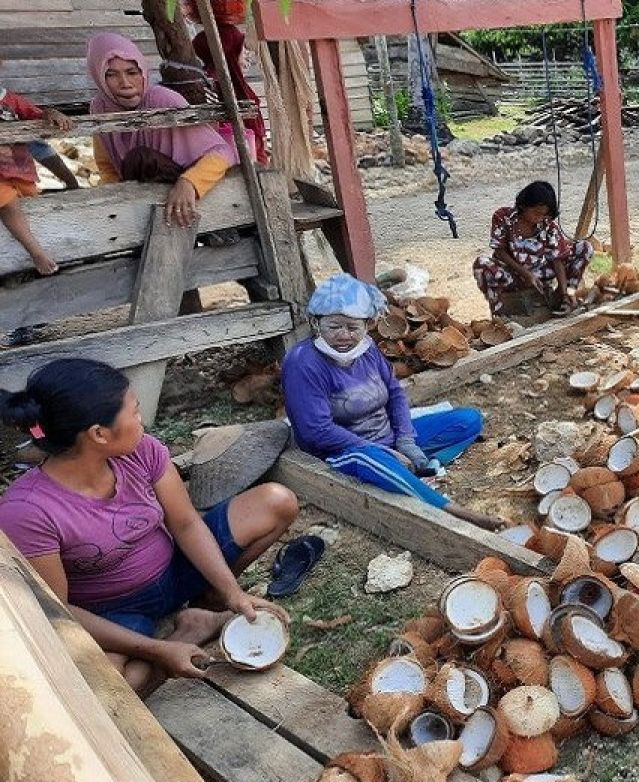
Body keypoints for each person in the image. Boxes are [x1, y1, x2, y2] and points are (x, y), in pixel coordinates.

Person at [0, 359, 298, 696]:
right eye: (135, 412)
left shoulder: (141, 451)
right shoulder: (27, 511)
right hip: (114, 610)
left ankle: (208, 602)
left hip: (173, 572)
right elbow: (60, 611)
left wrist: (232, 591)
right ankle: (188, 630)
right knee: (112, 689)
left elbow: (185, 524)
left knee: (276, 501)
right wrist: (157, 650)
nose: (141, 421)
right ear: (99, 434)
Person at [281, 275, 503, 531]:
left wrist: (405, 441)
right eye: (334, 327)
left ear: (367, 325)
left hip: (388, 440)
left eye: (353, 328)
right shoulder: (302, 362)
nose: (344, 335)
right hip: (342, 452)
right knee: (374, 461)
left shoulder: (368, 350)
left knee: (469, 420)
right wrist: (385, 451)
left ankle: (414, 468)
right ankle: (452, 510)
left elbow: (396, 394)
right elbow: (316, 431)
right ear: (316, 323)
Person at [87, 32, 239, 228]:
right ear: (98, 76)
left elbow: (224, 153)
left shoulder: (163, 101)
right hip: (142, 204)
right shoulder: (99, 108)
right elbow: (108, 167)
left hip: (186, 194)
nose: (125, 83)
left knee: (139, 158)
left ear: (142, 71)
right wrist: (114, 205)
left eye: (132, 72)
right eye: (111, 75)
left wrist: (188, 183)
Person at [473, 181, 594, 316]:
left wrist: (564, 292)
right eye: (536, 213)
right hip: (513, 275)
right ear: (524, 205)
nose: (540, 218)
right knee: (482, 264)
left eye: (544, 214)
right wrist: (526, 274)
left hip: (540, 275)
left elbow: (557, 259)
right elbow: (499, 252)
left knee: (584, 248)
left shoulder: (547, 225)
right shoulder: (503, 217)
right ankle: (500, 311)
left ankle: (564, 297)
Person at [0, 78, 73, 275]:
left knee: (32, 207)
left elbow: (38, 117)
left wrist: (52, 113)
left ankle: (25, 264)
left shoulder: (11, 101)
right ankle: (36, 254)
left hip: (20, 171)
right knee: (9, 204)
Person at [192, 21, 269, 164]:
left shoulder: (230, 86)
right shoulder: (213, 92)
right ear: (230, 54)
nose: (246, 55)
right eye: (241, 49)